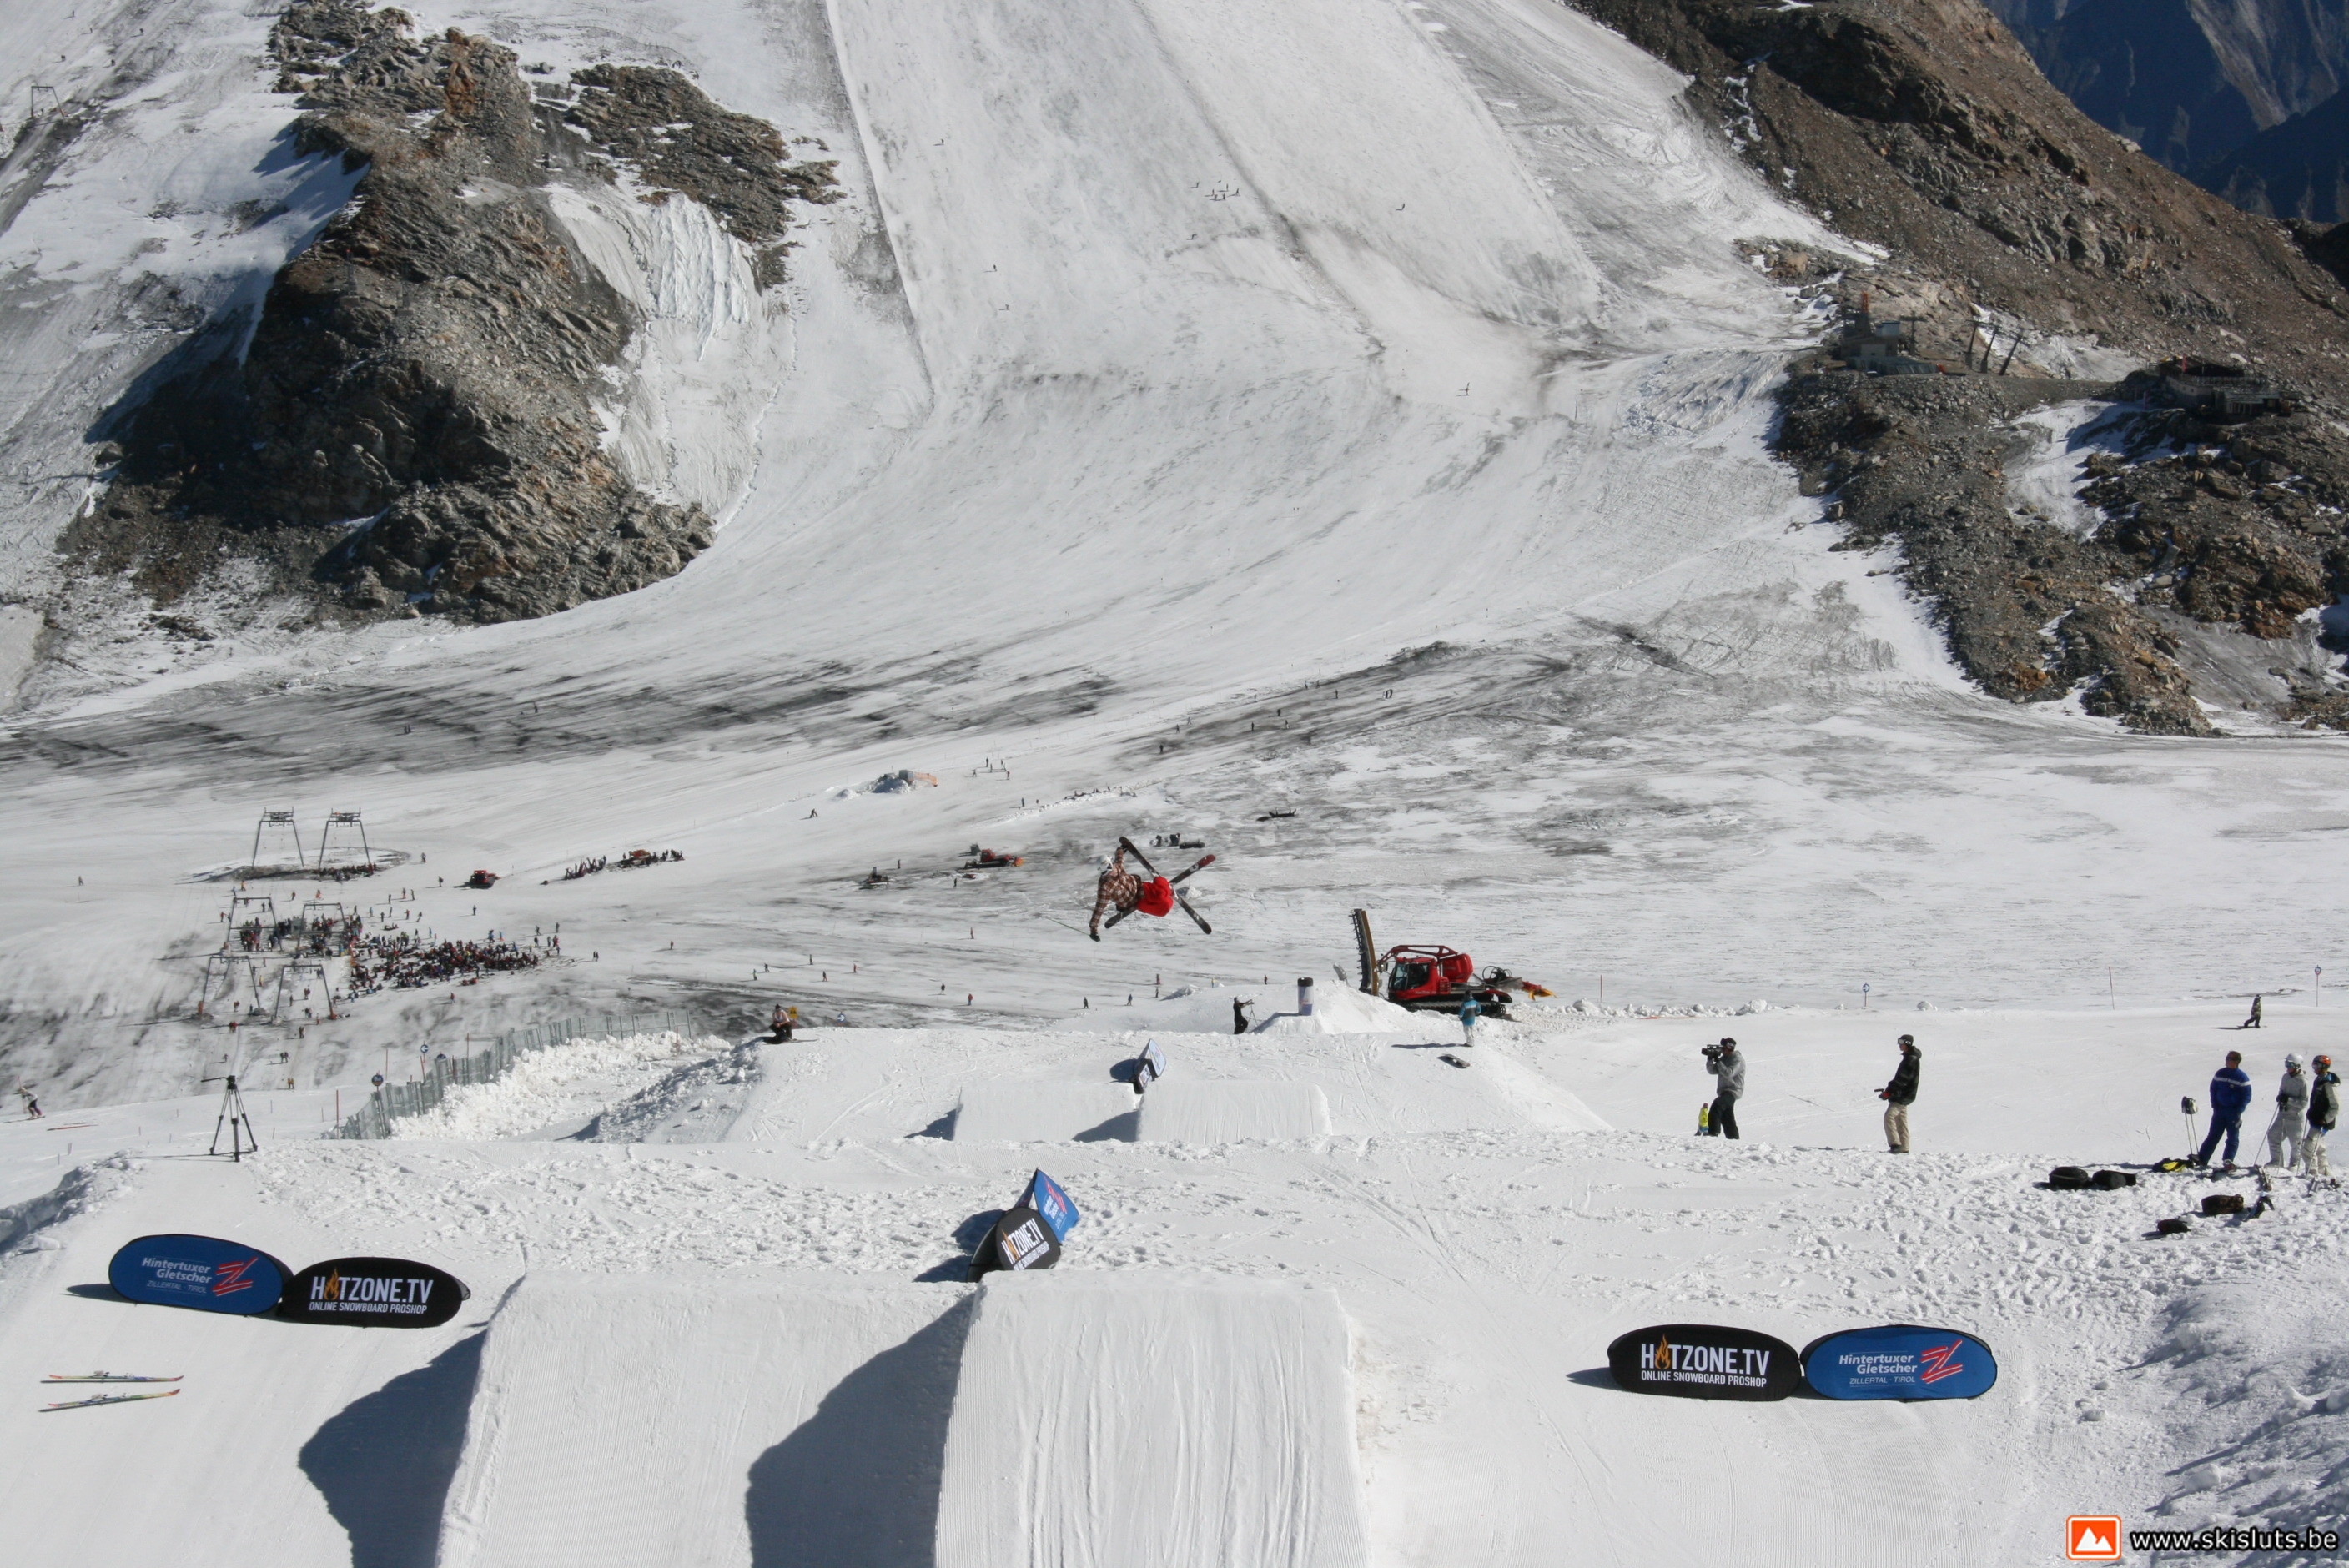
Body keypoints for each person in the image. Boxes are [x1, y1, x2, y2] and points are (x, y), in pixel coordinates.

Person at [2196, 1050, 2253, 1168]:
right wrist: (2214, 1104)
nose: (2227, 1060)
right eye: (2227, 1058)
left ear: (2236, 1062)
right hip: (2220, 1110)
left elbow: (2247, 1096)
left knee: (2232, 1137)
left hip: (2233, 1112)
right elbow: (2213, 1088)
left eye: (2229, 1059)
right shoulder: (2220, 1073)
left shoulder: (2242, 1077)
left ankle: (2228, 1160)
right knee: (2213, 1135)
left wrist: (2239, 1110)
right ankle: (2202, 1158)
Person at [1879, 1034, 1920, 1153]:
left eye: (1901, 1042)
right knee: (1901, 1120)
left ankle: (1895, 1144)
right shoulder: (1910, 1058)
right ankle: (1904, 1147)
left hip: (1902, 1095)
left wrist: (1889, 1092)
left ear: (1907, 1043)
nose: (1899, 1045)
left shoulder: (1910, 1059)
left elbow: (1902, 1079)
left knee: (1889, 1117)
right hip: (1905, 1094)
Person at [2268, 1053, 2310, 1169]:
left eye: (2290, 1064)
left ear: (2297, 1066)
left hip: (2295, 1117)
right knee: (2273, 1136)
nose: (2287, 1067)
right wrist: (2280, 1097)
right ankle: (2276, 1162)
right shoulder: (2285, 1077)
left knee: (2296, 1143)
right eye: (2286, 1064)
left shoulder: (2303, 1081)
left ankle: (2294, 1165)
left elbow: (2304, 1103)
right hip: (2283, 1114)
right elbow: (2281, 1090)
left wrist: (2289, 1100)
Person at [1702, 1038, 1743, 1140]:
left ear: (1729, 1048)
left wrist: (1718, 1061)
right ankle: (1733, 1139)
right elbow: (1712, 1071)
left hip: (1733, 1091)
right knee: (1727, 1117)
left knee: (1717, 1105)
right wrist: (1710, 1059)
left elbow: (1729, 1073)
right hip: (1724, 1091)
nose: (1722, 1051)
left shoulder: (1737, 1059)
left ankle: (1713, 1132)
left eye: (1723, 1049)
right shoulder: (1724, 1059)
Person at [2305, 1054, 2338, 1179]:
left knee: (2308, 1146)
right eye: (2313, 1065)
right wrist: (2311, 1112)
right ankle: (2324, 1172)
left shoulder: (2328, 1083)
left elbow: (2335, 1106)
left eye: (2317, 1065)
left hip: (2322, 1121)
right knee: (2319, 1148)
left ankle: (2312, 1173)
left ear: (2324, 1066)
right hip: (2316, 1119)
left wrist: (2326, 1119)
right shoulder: (2319, 1079)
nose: (2314, 1068)